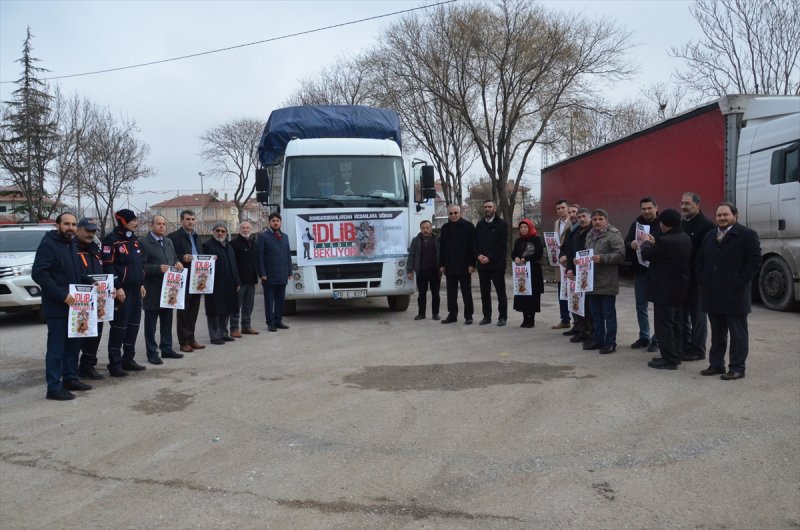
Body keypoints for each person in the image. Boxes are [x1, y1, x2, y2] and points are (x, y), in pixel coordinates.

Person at [31, 213, 93, 400]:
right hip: (57, 307)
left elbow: (76, 273)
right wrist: (61, 294)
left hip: (75, 307)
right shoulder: (48, 245)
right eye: (66, 224)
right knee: (56, 349)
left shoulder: (71, 245)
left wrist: (90, 282)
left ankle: (70, 378)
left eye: (73, 224)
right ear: (57, 225)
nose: (70, 228)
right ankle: (53, 387)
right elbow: (39, 274)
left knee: (73, 346)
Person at [696, 202, 761, 380]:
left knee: (738, 334)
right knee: (717, 333)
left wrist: (739, 281)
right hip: (713, 293)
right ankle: (716, 364)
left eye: (725, 215)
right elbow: (700, 258)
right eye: (719, 215)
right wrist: (702, 280)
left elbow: (754, 262)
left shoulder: (747, 235)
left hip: (735, 294)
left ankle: (737, 368)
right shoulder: (710, 236)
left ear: (735, 215)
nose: (722, 218)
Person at [640, 209, 692, 370]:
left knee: (664, 325)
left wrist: (646, 242)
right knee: (676, 323)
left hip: (664, 289)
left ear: (664, 224)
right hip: (679, 288)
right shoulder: (684, 237)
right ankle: (676, 354)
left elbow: (647, 255)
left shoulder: (665, 241)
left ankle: (669, 359)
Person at [103, 209, 147, 376]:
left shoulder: (134, 240)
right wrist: (117, 286)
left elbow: (137, 264)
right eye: (133, 220)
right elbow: (108, 265)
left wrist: (141, 283)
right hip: (122, 291)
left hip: (136, 290)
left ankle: (128, 359)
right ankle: (115, 364)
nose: (137, 223)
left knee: (133, 326)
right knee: (119, 327)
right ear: (123, 221)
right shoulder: (111, 240)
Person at [139, 214, 184, 365]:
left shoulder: (168, 241)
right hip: (152, 289)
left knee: (167, 321)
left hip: (169, 288)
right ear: (151, 225)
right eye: (158, 224)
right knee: (151, 324)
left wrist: (178, 263)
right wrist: (157, 268)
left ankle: (166, 348)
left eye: (164, 224)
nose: (162, 226)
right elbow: (140, 266)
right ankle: (152, 352)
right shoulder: (143, 242)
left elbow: (174, 258)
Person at [75, 217, 116, 380]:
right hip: (79, 299)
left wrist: (111, 287)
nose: (90, 234)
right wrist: (88, 281)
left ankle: (88, 366)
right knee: (78, 334)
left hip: (98, 300)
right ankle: (70, 370)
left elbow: (104, 272)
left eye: (93, 231)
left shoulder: (95, 250)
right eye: (87, 230)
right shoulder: (72, 249)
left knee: (95, 333)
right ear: (78, 230)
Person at [583, 209, 626, 354]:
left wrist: (602, 258)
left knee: (608, 314)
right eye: (595, 219)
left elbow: (620, 255)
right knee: (595, 313)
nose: (597, 222)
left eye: (600, 219)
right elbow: (586, 253)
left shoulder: (613, 234)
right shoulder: (590, 235)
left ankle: (610, 342)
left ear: (606, 220)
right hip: (591, 281)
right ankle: (598, 339)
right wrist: (579, 261)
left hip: (607, 281)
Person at [680, 192, 715, 361]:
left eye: (687, 203)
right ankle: (684, 346)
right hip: (682, 278)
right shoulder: (681, 224)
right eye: (682, 203)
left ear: (698, 205)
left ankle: (698, 349)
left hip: (697, 279)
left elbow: (709, 255)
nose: (684, 207)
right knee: (682, 315)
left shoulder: (707, 226)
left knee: (698, 316)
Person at [625, 196, 662, 353]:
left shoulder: (662, 224)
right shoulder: (636, 224)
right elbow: (626, 241)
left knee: (659, 306)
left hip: (658, 271)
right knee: (641, 305)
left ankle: (657, 338)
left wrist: (655, 243)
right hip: (640, 271)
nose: (646, 211)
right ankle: (644, 336)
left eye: (649, 208)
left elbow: (669, 244)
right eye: (643, 209)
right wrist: (631, 244)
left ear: (656, 207)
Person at [168, 209, 206, 353]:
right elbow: (169, 256)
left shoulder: (197, 236)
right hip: (183, 278)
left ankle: (191, 339)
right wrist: (181, 257)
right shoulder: (173, 237)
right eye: (187, 219)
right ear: (181, 221)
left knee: (194, 311)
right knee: (183, 312)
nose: (191, 222)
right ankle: (183, 341)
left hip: (197, 279)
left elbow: (200, 254)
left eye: (193, 219)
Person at [438, 205, 477, 325]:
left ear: (460, 213)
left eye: (455, 213)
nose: (453, 215)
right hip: (449, 265)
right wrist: (442, 264)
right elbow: (442, 247)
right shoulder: (444, 228)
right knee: (451, 293)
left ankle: (468, 316)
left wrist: (472, 264)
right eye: (451, 213)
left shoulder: (469, 226)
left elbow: (473, 247)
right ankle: (452, 315)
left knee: (466, 292)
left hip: (465, 266)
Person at [202, 224, 241, 345]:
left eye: (223, 231)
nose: (220, 233)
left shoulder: (228, 245)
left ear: (226, 233)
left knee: (226, 309)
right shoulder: (207, 245)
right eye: (217, 230)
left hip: (229, 283)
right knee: (214, 310)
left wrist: (236, 281)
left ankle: (224, 333)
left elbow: (234, 264)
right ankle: (215, 336)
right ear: (213, 231)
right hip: (214, 284)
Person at [560, 207, 593, 344]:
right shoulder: (575, 232)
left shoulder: (592, 232)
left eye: (584, 216)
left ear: (590, 217)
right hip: (576, 270)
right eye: (579, 217)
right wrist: (569, 268)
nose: (581, 219)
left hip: (589, 273)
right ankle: (581, 329)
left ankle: (589, 332)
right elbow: (570, 252)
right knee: (578, 302)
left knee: (588, 305)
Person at [476, 199, 509, 327]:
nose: (487, 209)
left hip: (497, 264)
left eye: (490, 206)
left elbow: (501, 245)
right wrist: (478, 256)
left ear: (494, 208)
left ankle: (502, 317)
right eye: (485, 207)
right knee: (484, 293)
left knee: (501, 292)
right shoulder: (479, 225)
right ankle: (487, 316)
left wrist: (490, 257)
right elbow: (475, 243)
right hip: (482, 264)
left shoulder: (502, 224)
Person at [257, 213, 292, 332]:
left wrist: (289, 271)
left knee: (280, 300)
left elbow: (288, 255)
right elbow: (259, 256)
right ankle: (270, 323)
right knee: (269, 301)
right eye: (273, 221)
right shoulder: (263, 237)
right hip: (269, 276)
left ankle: (278, 321)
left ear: (280, 222)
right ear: (269, 222)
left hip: (282, 274)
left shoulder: (285, 237)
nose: (275, 223)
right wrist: (262, 273)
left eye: (277, 221)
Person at [511, 219, 543, 328]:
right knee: (523, 295)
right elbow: (514, 253)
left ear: (530, 228)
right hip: (522, 273)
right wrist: (516, 258)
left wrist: (526, 258)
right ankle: (525, 318)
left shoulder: (536, 239)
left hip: (534, 272)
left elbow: (538, 254)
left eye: (525, 227)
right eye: (521, 227)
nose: (523, 229)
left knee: (532, 296)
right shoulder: (518, 241)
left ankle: (531, 319)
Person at [230, 221, 260, 336]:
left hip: (251, 280)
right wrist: (235, 280)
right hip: (239, 281)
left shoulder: (253, 243)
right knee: (236, 305)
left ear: (251, 230)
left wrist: (256, 277)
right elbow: (232, 263)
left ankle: (246, 326)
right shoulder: (233, 244)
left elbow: (255, 261)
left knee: (248, 305)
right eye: (243, 228)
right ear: (239, 229)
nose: (245, 230)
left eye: (248, 228)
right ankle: (234, 329)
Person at [407, 220, 441, 320]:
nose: (425, 230)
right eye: (423, 228)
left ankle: (435, 314)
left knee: (436, 294)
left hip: (435, 271)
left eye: (427, 228)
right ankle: (421, 314)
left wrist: (443, 267)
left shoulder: (438, 239)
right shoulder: (416, 240)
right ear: (420, 229)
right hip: (421, 271)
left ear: (431, 228)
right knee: (421, 294)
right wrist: (409, 270)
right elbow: (411, 255)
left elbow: (442, 254)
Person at [552, 199, 572, 329]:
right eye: (558, 209)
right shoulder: (556, 223)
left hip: (570, 260)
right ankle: (564, 319)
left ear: (567, 208)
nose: (560, 210)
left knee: (573, 290)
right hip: (559, 261)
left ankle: (578, 322)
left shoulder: (573, 222)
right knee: (561, 291)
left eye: (563, 208)